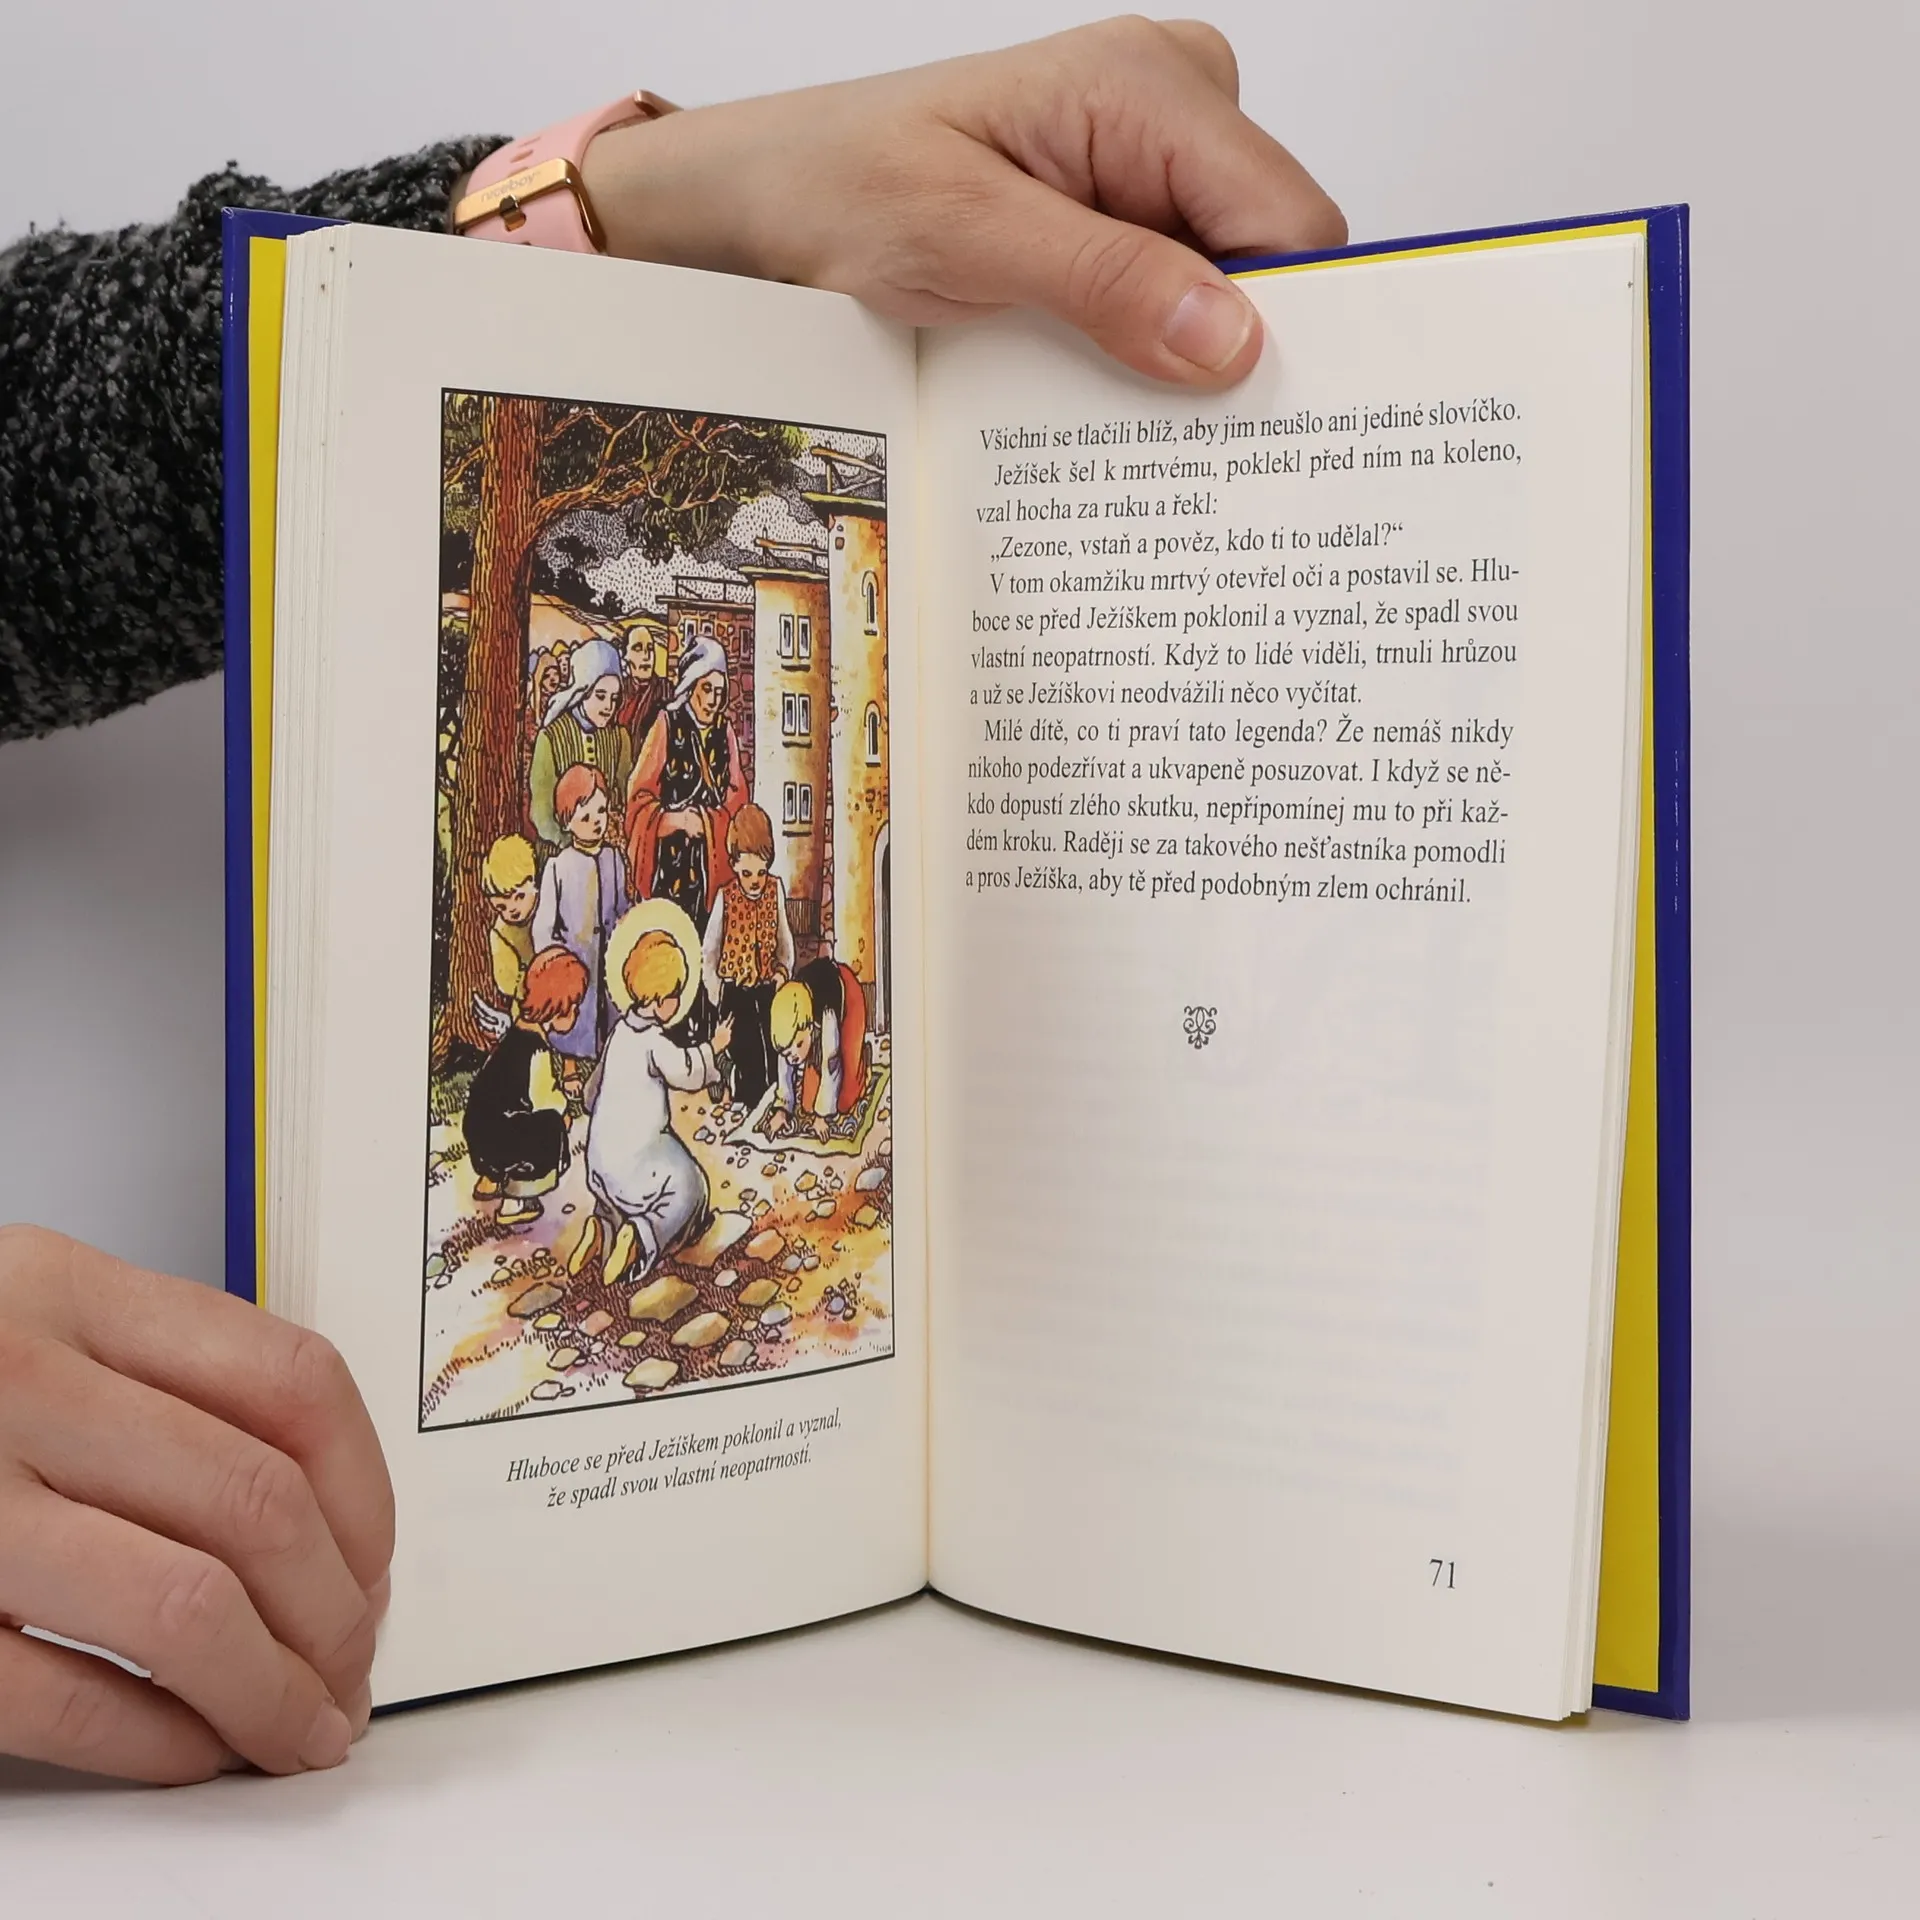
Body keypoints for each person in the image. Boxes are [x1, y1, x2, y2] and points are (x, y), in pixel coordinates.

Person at [0, 19, 1343, 1782]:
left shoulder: (701, 812)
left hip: (686, 901)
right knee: (608, 1040)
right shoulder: (604, 793)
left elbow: (61, 452)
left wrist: (621, 208)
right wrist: (617, 851)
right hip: (624, 914)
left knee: (690, 1060)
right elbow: (622, 831)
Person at [583, 931, 735, 1284]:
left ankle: (602, 1228)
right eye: (675, 994)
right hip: (638, 1160)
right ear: (658, 999)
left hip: (599, 1161)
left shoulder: (619, 1034)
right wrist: (714, 1047)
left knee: (617, 1191)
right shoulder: (653, 1041)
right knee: (689, 1185)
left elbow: (592, 1092)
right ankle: (640, 1235)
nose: (679, 1001)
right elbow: (687, 1071)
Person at [624, 635, 748, 932]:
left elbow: (738, 797)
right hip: (669, 866)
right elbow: (638, 796)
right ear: (691, 685)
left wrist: (706, 822)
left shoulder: (725, 731)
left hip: (712, 870)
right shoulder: (666, 723)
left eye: (719, 691)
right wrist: (672, 820)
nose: (713, 700)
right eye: (707, 689)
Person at [465, 946, 589, 1220]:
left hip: (478, 1131)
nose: (577, 1012)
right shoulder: (537, 1049)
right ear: (557, 1009)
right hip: (502, 1141)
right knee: (550, 1126)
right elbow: (545, 1098)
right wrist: (565, 1111)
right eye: (573, 1006)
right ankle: (517, 1202)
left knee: (509, 1121)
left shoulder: (513, 1036)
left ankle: (489, 1180)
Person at [530, 765, 627, 1083]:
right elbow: (544, 924)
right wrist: (554, 959)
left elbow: (623, 905)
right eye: (586, 817)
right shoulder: (559, 867)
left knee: (609, 1009)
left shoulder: (614, 859)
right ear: (567, 821)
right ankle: (570, 1065)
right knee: (575, 1013)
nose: (597, 821)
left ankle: (608, 1061)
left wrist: (625, 928)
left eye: (601, 811)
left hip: (608, 956)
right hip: (574, 958)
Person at [700, 804, 794, 1108]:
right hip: (735, 993)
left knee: (772, 1050)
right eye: (746, 873)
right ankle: (744, 1104)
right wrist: (718, 992)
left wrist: (781, 973)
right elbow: (709, 951)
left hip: (766, 989)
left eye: (761, 873)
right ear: (734, 865)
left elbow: (784, 941)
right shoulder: (725, 897)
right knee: (744, 1055)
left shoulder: (775, 891)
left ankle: (772, 1104)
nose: (755, 881)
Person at [528, 639, 636, 853]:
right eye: (600, 696)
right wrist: (571, 844)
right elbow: (541, 812)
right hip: (559, 853)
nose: (608, 706)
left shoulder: (620, 738)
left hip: (605, 850)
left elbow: (626, 796)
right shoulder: (550, 737)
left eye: (614, 698)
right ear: (582, 692)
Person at [767, 957, 869, 1142]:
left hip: (849, 998)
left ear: (809, 1028)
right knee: (808, 1105)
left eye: (798, 1045)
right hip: (815, 1024)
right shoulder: (789, 1018)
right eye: (787, 1053)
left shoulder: (827, 1015)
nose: (793, 1058)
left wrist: (822, 1116)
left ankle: (863, 1059)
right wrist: (782, 1108)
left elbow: (831, 1062)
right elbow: (784, 1066)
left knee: (845, 1101)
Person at [481, 833, 541, 1016]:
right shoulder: (501, 933)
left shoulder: (549, 905)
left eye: (519, 897)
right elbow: (507, 983)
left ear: (534, 882)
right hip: (527, 1009)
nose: (512, 909)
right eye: (502, 907)